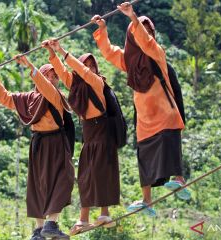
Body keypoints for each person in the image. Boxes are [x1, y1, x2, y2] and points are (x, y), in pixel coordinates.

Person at [91, 2, 191, 217]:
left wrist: (134, 18)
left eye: (149, 31)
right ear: (130, 36)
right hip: (145, 119)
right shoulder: (129, 61)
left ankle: (179, 180)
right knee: (144, 155)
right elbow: (108, 52)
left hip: (164, 112)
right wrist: (103, 29)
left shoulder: (157, 53)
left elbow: (146, 43)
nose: (146, 34)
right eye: (140, 30)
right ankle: (147, 201)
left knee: (168, 141)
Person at [0, 55, 74, 240]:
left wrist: (31, 67)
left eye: (55, 76)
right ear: (41, 76)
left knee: (64, 179)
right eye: (48, 76)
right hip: (39, 143)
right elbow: (7, 98)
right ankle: (39, 230)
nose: (53, 79)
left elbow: (47, 90)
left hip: (56, 141)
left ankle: (51, 223)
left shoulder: (56, 95)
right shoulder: (29, 98)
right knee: (38, 185)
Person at [42, 39, 120, 235]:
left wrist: (62, 50)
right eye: (87, 65)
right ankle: (84, 219)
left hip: (102, 132)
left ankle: (104, 213)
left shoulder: (97, 82)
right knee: (85, 177)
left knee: (101, 173)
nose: (89, 69)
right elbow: (63, 72)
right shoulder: (76, 87)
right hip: (89, 134)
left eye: (92, 65)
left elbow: (81, 72)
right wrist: (52, 54)